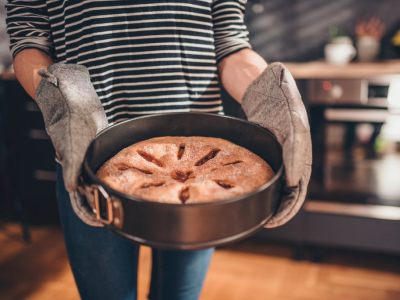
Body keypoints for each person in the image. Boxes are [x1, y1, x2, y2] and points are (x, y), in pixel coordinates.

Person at [6, 1, 311, 299]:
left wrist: (271, 99)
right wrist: (63, 101)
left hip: (205, 164)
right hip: (86, 152)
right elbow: (29, 41)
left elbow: (230, 44)